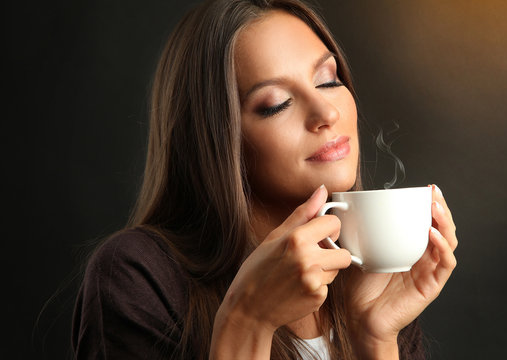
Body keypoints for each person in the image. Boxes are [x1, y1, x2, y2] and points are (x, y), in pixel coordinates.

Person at [71, 0, 458, 359]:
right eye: (276, 104)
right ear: (217, 141)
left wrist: (374, 337)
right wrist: (247, 321)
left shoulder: (368, 281)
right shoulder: (138, 277)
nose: (325, 111)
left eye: (328, 80)